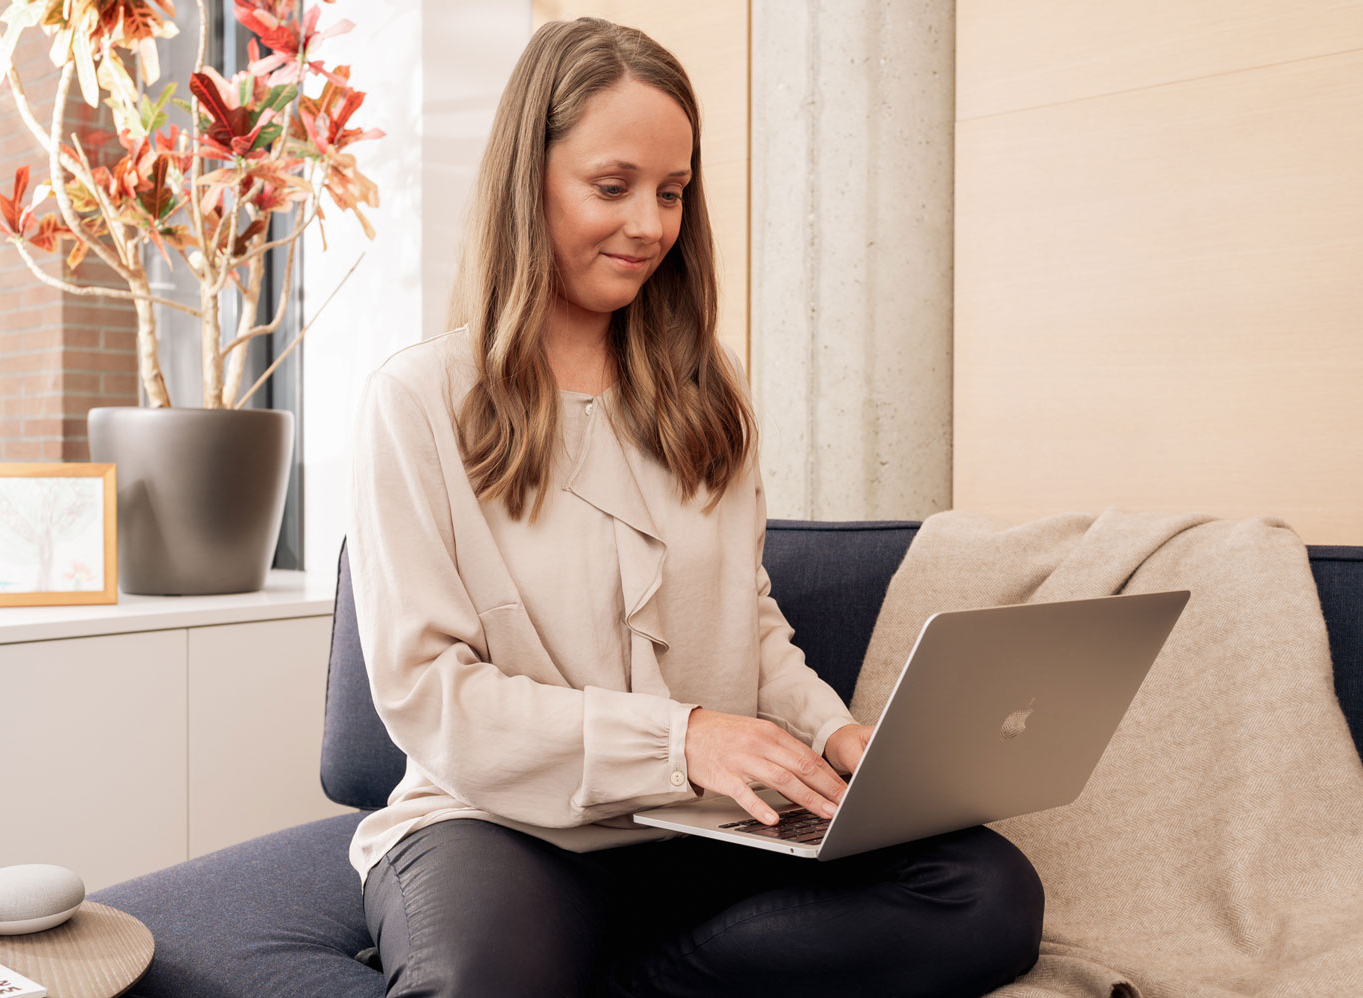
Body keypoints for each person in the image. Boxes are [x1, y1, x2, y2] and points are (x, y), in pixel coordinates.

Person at [345, 17, 1044, 997]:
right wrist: (684, 738)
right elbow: (433, 700)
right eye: (613, 185)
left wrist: (839, 734)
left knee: (988, 890)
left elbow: (747, 623)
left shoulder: (709, 390)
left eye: (672, 193)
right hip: (498, 826)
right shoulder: (417, 402)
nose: (649, 226)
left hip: (697, 824)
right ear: (527, 179)